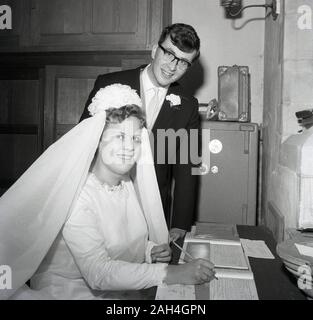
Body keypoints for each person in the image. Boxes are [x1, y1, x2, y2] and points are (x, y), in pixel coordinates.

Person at [0, 84, 215, 300]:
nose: (130, 147)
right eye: (120, 136)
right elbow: (98, 273)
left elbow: (118, 240)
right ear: (97, 140)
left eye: (136, 139)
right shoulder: (78, 195)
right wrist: (173, 272)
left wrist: (149, 250)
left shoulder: (127, 185)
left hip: (120, 291)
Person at [80, 23, 201, 242]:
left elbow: (188, 165)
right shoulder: (109, 84)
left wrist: (181, 223)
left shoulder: (189, 105)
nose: (173, 67)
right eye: (169, 54)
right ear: (155, 50)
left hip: (153, 208)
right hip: (105, 200)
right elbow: (83, 147)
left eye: (183, 62)